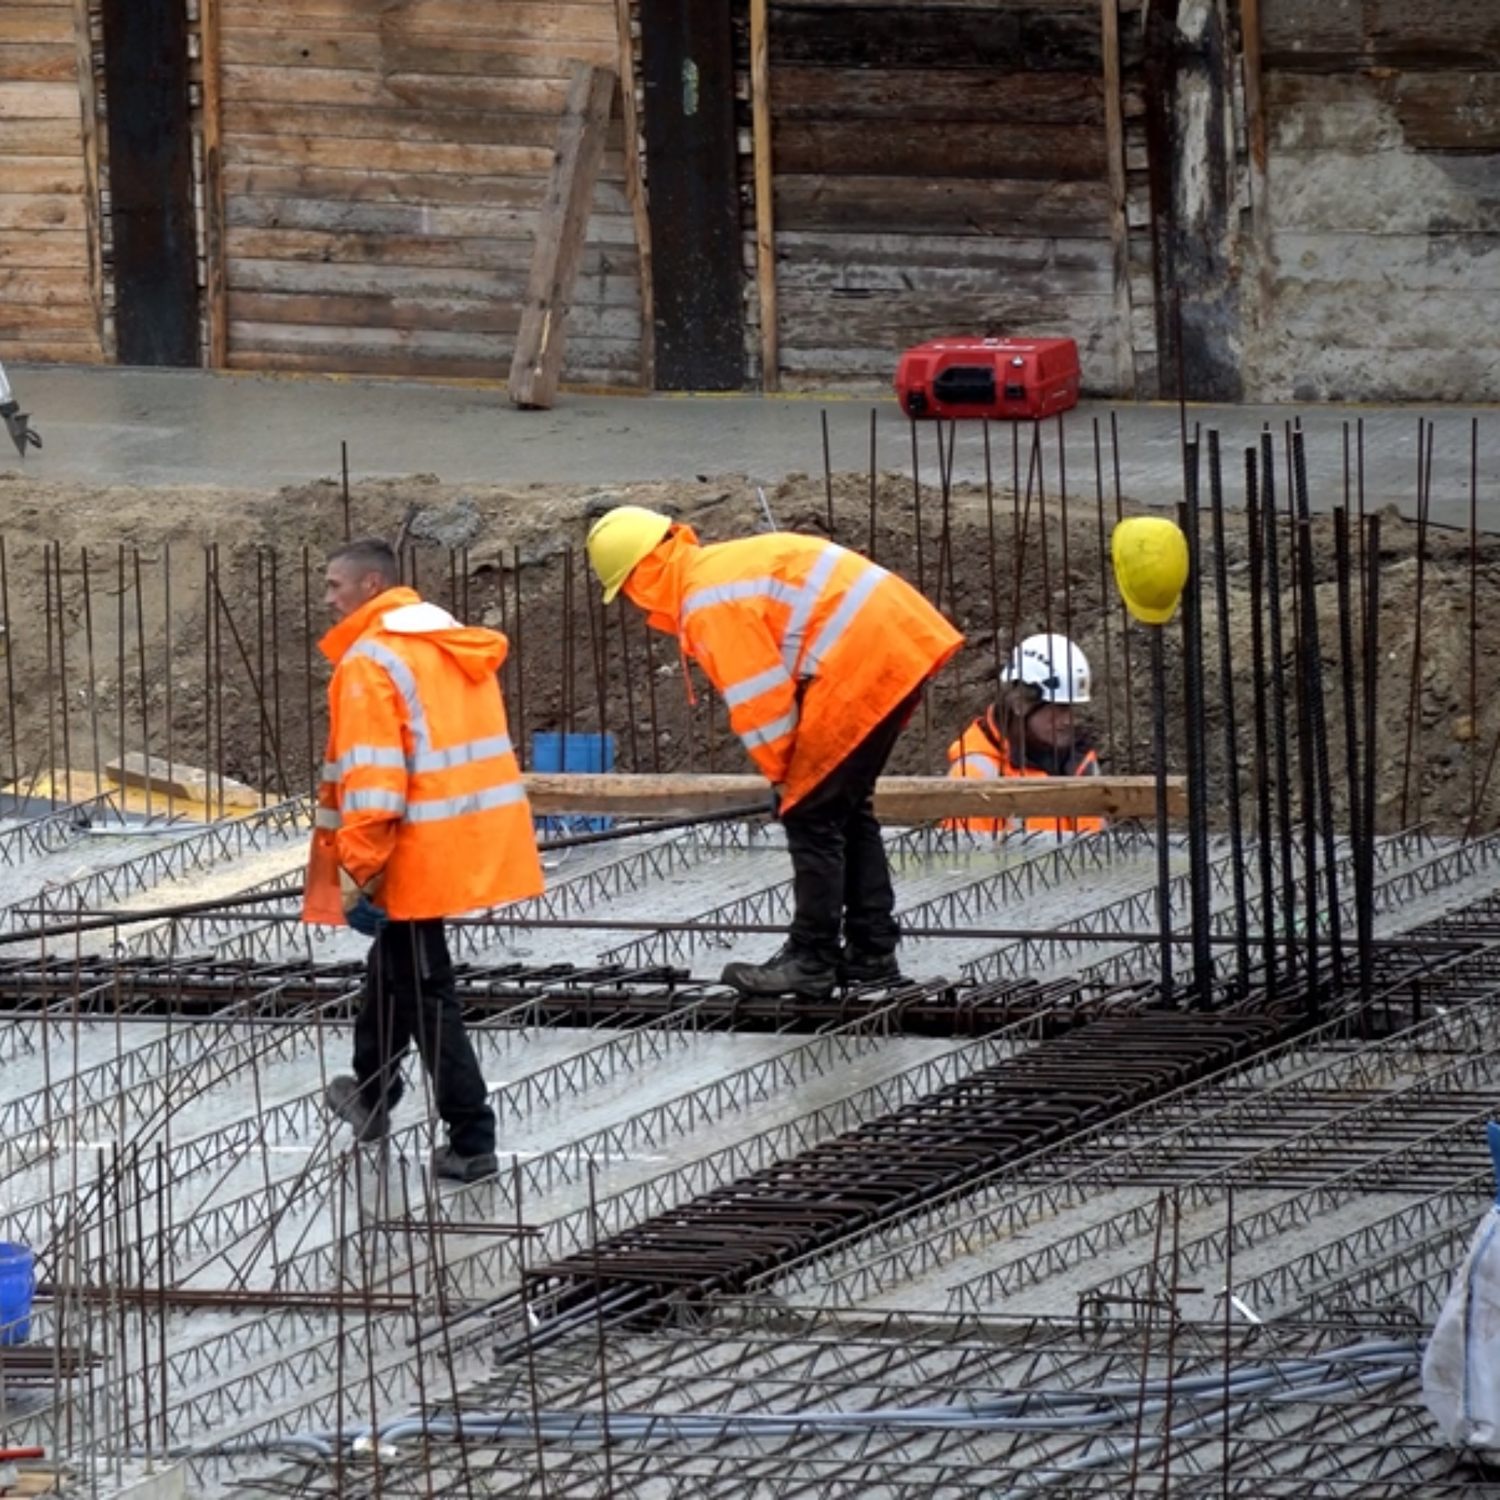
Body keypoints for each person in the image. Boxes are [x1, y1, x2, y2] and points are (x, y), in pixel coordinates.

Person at [586, 506, 962, 999]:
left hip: (864, 654)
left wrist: (784, 778)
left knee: (811, 812)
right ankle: (871, 951)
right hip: (892, 638)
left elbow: (761, 703)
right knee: (844, 807)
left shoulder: (706, 600)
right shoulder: (716, 571)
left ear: (639, 577)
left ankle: (811, 959)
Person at [302, 538, 543, 1183]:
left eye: (334, 585)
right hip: (461, 839)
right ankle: (372, 1093)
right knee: (397, 968)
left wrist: (362, 870)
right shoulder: (448, 645)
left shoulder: (370, 660)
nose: (327, 598)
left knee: (427, 990)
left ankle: (472, 1136)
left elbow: (375, 783)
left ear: (371, 585)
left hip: (410, 850)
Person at [946, 632, 1104, 836]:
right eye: (1060, 707)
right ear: (1021, 703)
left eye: (1072, 708)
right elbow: (966, 864)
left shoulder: (1081, 764)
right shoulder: (976, 774)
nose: (1070, 720)